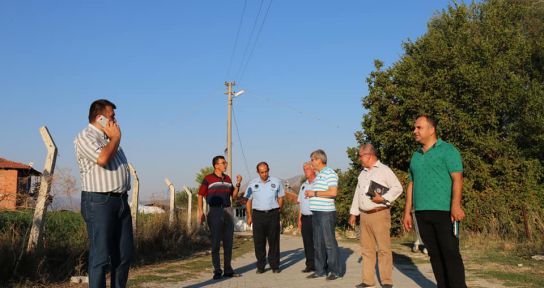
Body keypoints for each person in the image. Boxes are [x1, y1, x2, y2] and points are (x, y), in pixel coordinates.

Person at [403, 115, 467, 288]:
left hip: (445, 212)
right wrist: (407, 212)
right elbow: (411, 183)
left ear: (431, 130)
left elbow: (457, 179)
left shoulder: (448, 150)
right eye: (414, 128)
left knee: (450, 254)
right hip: (422, 213)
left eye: (418, 128)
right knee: (434, 255)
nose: (414, 131)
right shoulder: (416, 155)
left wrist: (455, 205)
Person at [74, 99, 133, 288]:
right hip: (99, 201)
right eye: (112, 116)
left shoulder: (110, 139)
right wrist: (116, 138)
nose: (115, 121)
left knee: (123, 255)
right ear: (99, 118)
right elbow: (102, 159)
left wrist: (113, 139)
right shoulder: (86, 136)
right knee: (101, 256)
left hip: (121, 201)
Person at [349, 144, 403, 288]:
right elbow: (357, 193)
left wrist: (384, 198)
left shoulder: (384, 170)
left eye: (361, 156)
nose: (359, 159)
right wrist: (353, 213)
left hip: (379, 214)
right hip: (364, 215)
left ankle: (386, 281)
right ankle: (367, 280)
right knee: (367, 249)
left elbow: (398, 188)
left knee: (383, 248)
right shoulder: (362, 173)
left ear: (369, 155)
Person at [197, 156, 242, 280]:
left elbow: (234, 196)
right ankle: (217, 271)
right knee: (216, 242)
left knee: (228, 242)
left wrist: (238, 183)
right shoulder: (208, 179)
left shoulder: (228, 179)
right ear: (216, 165)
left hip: (228, 210)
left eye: (225, 163)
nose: (225, 164)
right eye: (223, 163)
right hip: (215, 211)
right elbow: (200, 195)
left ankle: (228, 270)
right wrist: (200, 211)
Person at [305, 149, 341, 281]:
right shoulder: (319, 175)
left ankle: (334, 271)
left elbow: (333, 192)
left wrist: (314, 194)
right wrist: (311, 193)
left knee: (329, 243)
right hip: (316, 213)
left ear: (319, 160)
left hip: (326, 213)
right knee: (318, 243)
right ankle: (320, 270)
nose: (311, 162)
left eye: (312, 159)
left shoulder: (330, 173)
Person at [245, 162, 285, 274]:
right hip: (258, 215)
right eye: (262, 172)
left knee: (274, 242)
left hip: (273, 215)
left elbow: (281, 198)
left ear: (268, 170)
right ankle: (261, 266)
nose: (264, 174)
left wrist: (278, 210)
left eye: (266, 171)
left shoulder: (276, 182)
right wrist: (249, 216)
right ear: (258, 172)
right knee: (259, 242)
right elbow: (248, 201)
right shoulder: (252, 184)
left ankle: (275, 265)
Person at [297, 162, 316, 273]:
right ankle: (310, 265)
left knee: (318, 242)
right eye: (304, 169)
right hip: (305, 218)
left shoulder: (319, 183)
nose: (305, 171)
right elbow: (300, 203)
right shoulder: (303, 185)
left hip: (316, 217)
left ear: (313, 169)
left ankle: (321, 264)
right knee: (307, 242)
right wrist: (299, 219)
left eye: (308, 168)